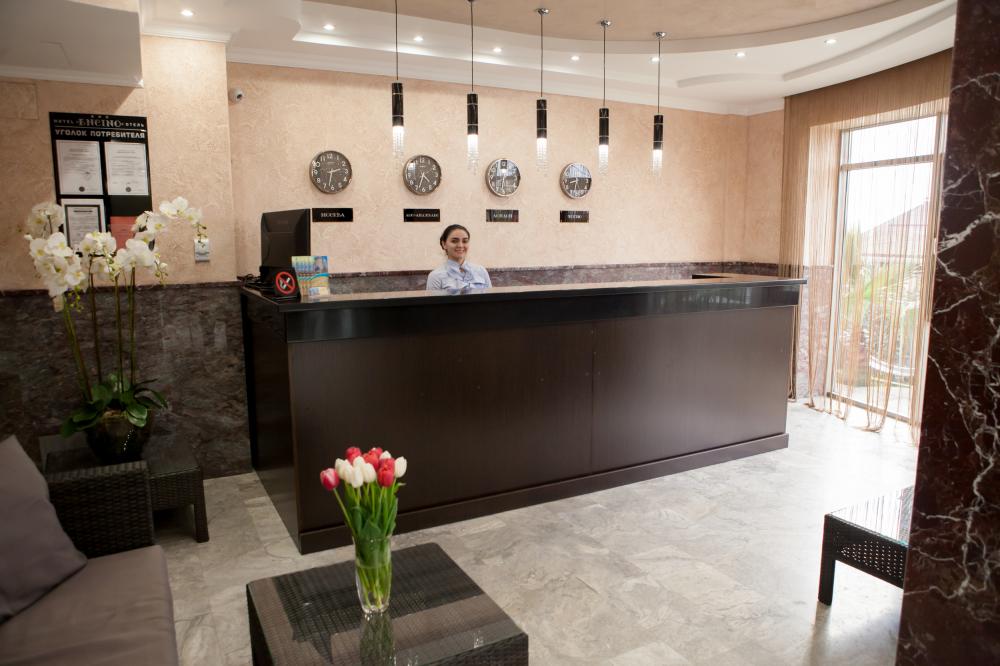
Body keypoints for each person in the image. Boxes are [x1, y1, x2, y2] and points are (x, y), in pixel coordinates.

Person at [426, 224, 492, 290]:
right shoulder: (435, 276)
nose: (460, 245)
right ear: (444, 244)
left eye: (465, 241)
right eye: (454, 241)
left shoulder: (481, 271)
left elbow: (491, 296)